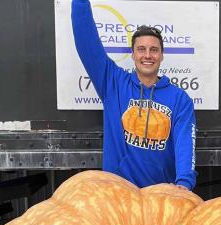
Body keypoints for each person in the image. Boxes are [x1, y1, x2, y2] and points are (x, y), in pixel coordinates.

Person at [71, 0, 197, 190]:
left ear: (162, 55)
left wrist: (184, 183)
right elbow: (86, 40)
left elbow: (185, 143)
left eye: (154, 50)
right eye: (141, 49)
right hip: (118, 193)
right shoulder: (113, 82)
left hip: (160, 195)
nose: (148, 55)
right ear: (132, 54)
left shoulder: (180, 99)